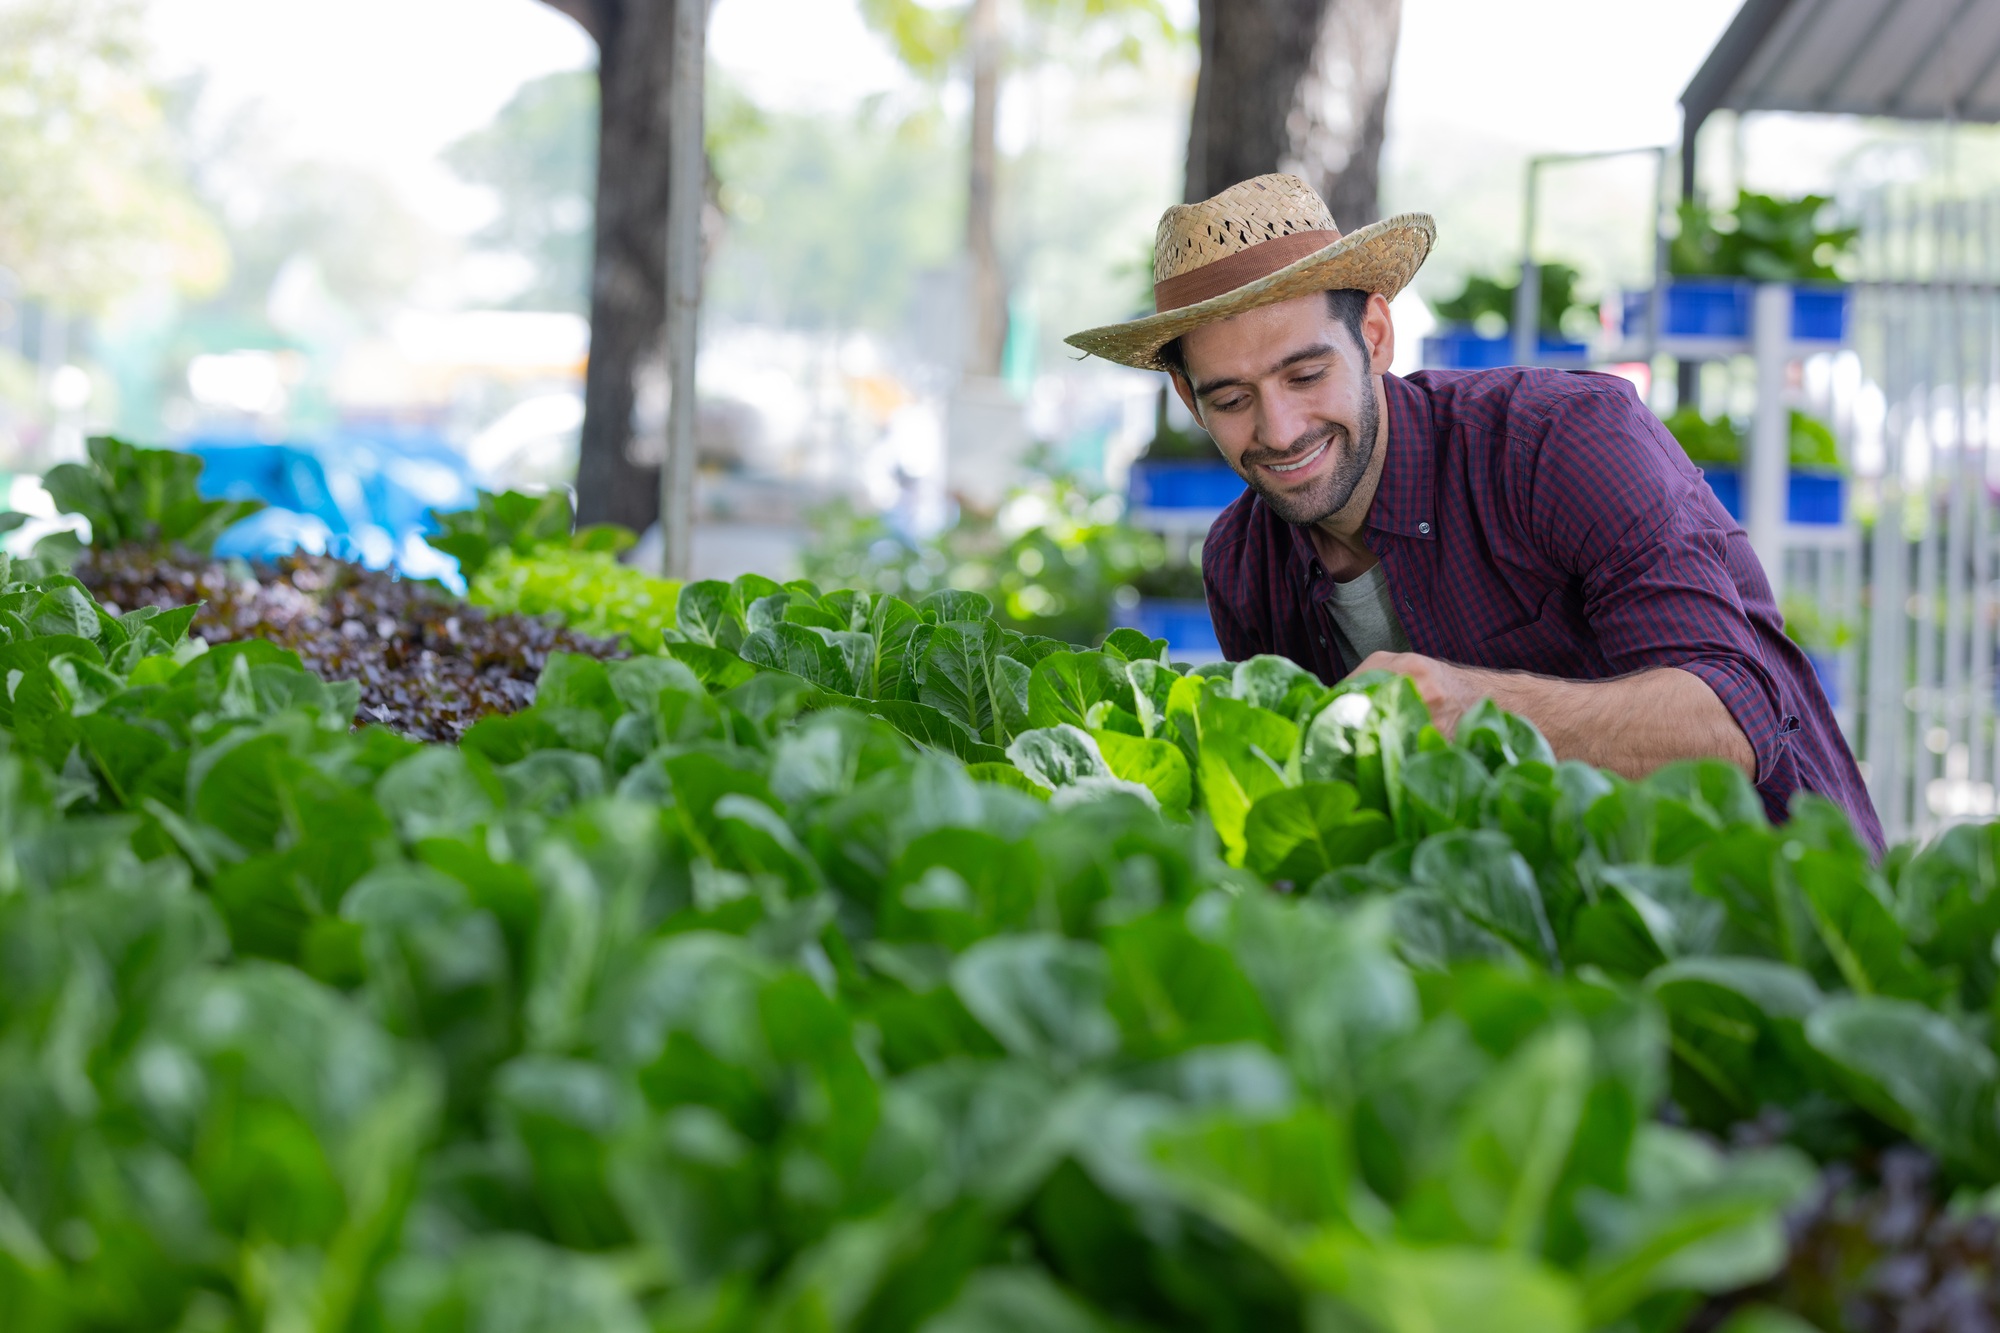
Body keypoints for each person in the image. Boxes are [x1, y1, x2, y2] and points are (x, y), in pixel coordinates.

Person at [1066, 173, 1881, 849]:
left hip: (1775, 911)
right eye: (1233, 398)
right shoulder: (1243, 565)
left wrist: (1476, 707)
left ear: (1375, 335)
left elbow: (1729, 723)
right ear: (1187, 397)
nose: (1279, 431)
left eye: (1306, 375)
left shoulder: (1561, 442)